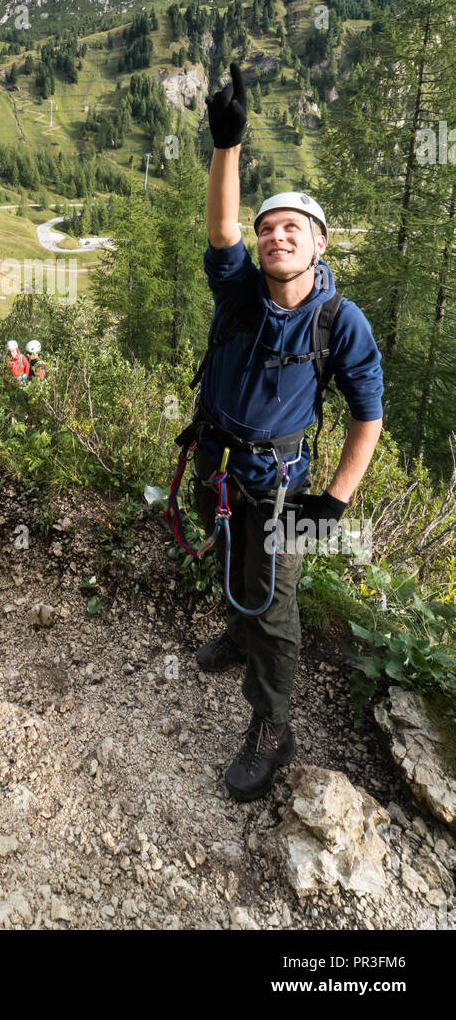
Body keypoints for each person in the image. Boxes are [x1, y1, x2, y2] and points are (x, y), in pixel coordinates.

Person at [173, 62, 383, 803]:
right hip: (214, 461)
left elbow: (368, 418)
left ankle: (273, 725)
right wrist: (224, 145)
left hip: (285, 487)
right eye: (269, 228)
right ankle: (238, 627)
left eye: (293, 228)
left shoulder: (340, 322)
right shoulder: (237, 291)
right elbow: (221, 227)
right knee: (228, 551)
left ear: (319, 245)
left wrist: (336, 502)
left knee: (280, 604)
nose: (275, 236)